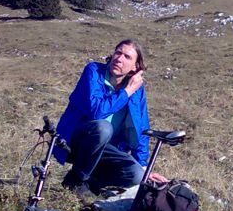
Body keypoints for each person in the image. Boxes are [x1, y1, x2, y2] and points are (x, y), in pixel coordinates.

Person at [55, 39, 163, 197]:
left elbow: (141, 128)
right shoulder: (94, 71)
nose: (119, 58)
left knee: (136, 174)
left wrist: (143, 166)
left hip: (105, 149)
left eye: (127, 57)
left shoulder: (137, 90)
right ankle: (77, 179)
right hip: (75, 141)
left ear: (136, 67)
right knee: (103, 128)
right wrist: (126, 91)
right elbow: (96, 112)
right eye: (118, 52)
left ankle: (90, 184)